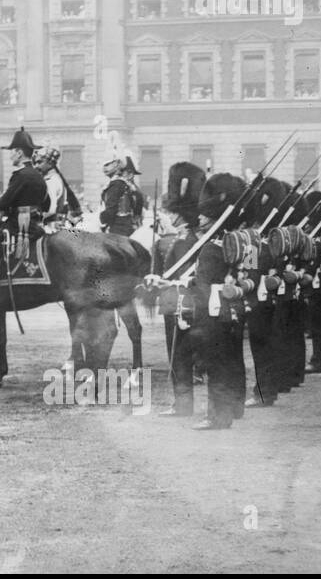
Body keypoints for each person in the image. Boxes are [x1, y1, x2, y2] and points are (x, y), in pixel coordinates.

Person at [149, 161, 204, 416]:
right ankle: (182, 403)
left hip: (178, 304)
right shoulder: (188, 238)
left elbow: (180, 277)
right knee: (180, 356)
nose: (168, 216)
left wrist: (159, 282)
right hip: (181, 302)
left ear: (180, 213)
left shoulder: (184, 241)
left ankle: (182, 405)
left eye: (171, 212)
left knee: (178, 357)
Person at [190, 191, 246, 429]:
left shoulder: (210, 249)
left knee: (216, 364)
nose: (200, 220)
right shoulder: (235, 243)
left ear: (214, 220)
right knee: (230, 360)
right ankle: (233, 408)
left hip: (213, 310)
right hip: (230, 308)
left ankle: (217, 416)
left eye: (205, 216)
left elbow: (202, 284)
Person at [0, 128, 50, 262]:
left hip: (18, 225)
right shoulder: (38, 175)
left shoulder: (20, 175)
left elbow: (3, 203)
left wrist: (0, 202)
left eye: (12, 152)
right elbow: (47, 203)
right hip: (36, 224)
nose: (10, 156)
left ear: (19, 153)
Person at [101, 153, 144, 236]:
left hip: (117, 229)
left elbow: (111, 211)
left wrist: (100, 220)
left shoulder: (116, 185)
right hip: (130, 227)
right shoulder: (130, 187)